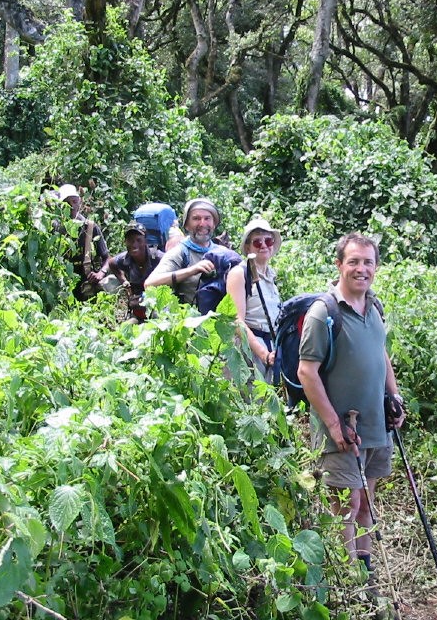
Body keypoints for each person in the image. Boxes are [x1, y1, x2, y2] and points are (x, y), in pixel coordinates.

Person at [297, 233, 405, 575]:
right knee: (347, 505)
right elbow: (306, 372)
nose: (362, 269)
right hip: (342, 431)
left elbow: (381, 353)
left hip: (374, 426)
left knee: (366, 504)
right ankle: (348, 581)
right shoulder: (323, 313)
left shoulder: (373, 306)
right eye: (354, 261)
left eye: (368, 262)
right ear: (339, 265)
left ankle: (366, 573)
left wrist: (395, 396)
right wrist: (333, 424)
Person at [225, 217, 283, 384]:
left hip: (271, 347)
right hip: (249, 351)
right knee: (251, 404)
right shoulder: (239, 274)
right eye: (257, 242)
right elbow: (237, 321)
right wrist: (263, 354)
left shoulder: (271, 275)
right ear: (248, 247)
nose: (264, 245)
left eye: (268, 240)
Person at [144, 197, 234, 305]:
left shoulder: (222, 253)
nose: (202, 223)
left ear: (214, 223)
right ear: (186, 225)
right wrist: (192, 270)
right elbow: (149, 284)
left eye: (207, 218)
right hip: (188, 318)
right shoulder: (181, 252)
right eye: (196, 218)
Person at [96, 221, 164, 321]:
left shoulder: (156, 257)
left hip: (157, 302)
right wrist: (124, 281)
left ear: (145, 241)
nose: (134, 244)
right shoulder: (125, 258)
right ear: (125, 242)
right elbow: (111, 263)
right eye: (130, 240)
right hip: (137, 304)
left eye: (138, 240)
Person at [56, 183, 110, 302]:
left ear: (79, 202)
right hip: (61, 284)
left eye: (74, 202)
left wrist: (101, 273)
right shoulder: (55, 229)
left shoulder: (90, 227)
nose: (71, 206)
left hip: (86, 284)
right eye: (66, 203)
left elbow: (107, 258)